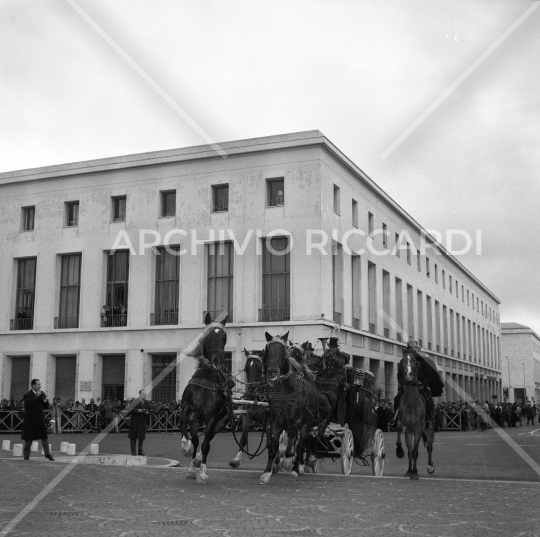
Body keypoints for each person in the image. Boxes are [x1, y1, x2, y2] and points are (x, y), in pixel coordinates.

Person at [390, 341, 445, 428]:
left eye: (414, 348)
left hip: (420, 386)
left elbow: (428, 375)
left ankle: (429, 419)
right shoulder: (403, 361)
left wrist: (423, 385)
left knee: (429, 400)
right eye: (410, 348)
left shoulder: (423, 361)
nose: (412, 350)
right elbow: (399, 375)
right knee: (397, 398)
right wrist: (403, 384)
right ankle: (396, 418)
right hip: (406, 386)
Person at [21, 379, 54, 461]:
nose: (40, 386)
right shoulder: (27, 395)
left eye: (40, 384)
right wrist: (36, 396)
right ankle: (26, 455)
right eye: (38, 384)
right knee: (28, 438)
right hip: (30, 419)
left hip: (39, 419)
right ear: (33, 385)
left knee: (44, 437)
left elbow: (46, 406)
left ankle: (47, 454)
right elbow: (28, 404)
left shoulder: (41, 394)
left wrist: (44, 400)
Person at [128, 390, 150, 456]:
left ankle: (140, 451)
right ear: (140, 394)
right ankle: (133, 452)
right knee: (133, 437)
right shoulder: (135, 401)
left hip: (142, 422)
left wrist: (147, 412)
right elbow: (130, 409)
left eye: (145, 394)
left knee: (141, 438)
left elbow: (150, 410)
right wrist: (137, 410)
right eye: (143, 393)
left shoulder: (146, 402)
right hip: (135, 421)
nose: (144, 395)